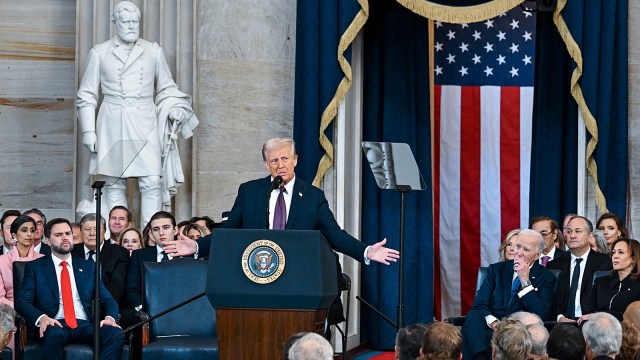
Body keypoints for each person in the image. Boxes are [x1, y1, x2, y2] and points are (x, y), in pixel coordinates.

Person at [166, 137, 400, 265]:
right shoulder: (250, 192)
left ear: (295, 160)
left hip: (296, 274)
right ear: (266, 165)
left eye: (285, 158)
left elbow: (334, 235)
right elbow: (230, 231)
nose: (281, 165)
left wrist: (366, 251)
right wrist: (197, 246)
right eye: (274, 161)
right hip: (256, 271)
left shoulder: (312, 197)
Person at [76, 0, 199, 227]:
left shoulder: (153, 51)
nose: (132, 26)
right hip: (113, 119)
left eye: (135, 22)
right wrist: (88, 131)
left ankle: (150, 237)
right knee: (114, 184)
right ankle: (118, 239)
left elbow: (166, 87)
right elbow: (86, 95)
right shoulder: (100, 52)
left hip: (145, 120)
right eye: (127, 22)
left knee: (152, 181)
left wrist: (175, 108)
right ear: (115, 23)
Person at [15, 218, 124, 360]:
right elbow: (22, 301)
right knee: (54, 335)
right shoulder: (36, 267)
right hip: (54, 323)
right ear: (47, 240)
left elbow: (108, 299)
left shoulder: (88, 267)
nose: (65, 238)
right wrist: (42, 318)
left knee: (116, 335)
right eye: (58, 235)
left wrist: (110, 317)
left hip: (84, 324)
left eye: (68, 233)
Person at [460, 229, 556, 359]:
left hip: (520, 332)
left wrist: (525, 281)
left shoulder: (546, 278)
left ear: (537, 255)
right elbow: (479, 305)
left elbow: (542, 314)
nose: (519, 253)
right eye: (518, 246)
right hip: (492, 329)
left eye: (526, 250)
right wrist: (495, 324)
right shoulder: (496, 270)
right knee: (473, 316)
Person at [547, 215, 613, 322]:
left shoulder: (605, 263)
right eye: (569, 232)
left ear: (590, 236)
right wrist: (560, 318)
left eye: (578, 231)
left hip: (593, 322)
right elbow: (550, 299)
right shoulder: (554, 265)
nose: (572, 235)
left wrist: (593, 316)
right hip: (562, 323)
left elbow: (607, 298)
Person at [126, 211, 194, 310]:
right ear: (152, 233)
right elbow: (132, 289)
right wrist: (143, 310)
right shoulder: (139, 255)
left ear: (175, 230)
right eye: (156, 229)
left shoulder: (188, 256)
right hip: (147, 312)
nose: (161, 233)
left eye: (166, 227)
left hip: (182, 311)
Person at [71, 214, 129, 307]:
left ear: (104, 231)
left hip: (107, 306)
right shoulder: (71, 253)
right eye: (87, 229)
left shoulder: (119, 253)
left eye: (96, 229)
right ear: (81, 232)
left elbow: (117, 288)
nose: (92, 233)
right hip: (77, 307)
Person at [578, 238, 640, 322]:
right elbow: (588, 311)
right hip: (598, 329)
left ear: (633, 258)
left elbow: (634, 316)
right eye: (613, 252)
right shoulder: (601, 282)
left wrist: (601, 315)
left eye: (621, 252)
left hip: (627, 331)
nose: (615, 256)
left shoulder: (637, 285)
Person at [0, 216, 44, 307]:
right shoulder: (2, 261)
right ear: (14, 235)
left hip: (38, 312)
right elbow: (0, 298)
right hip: (9, 312)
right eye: (24, 230)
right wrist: (22, 308)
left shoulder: (43, 259)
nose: (29, 234)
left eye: (32, 230)